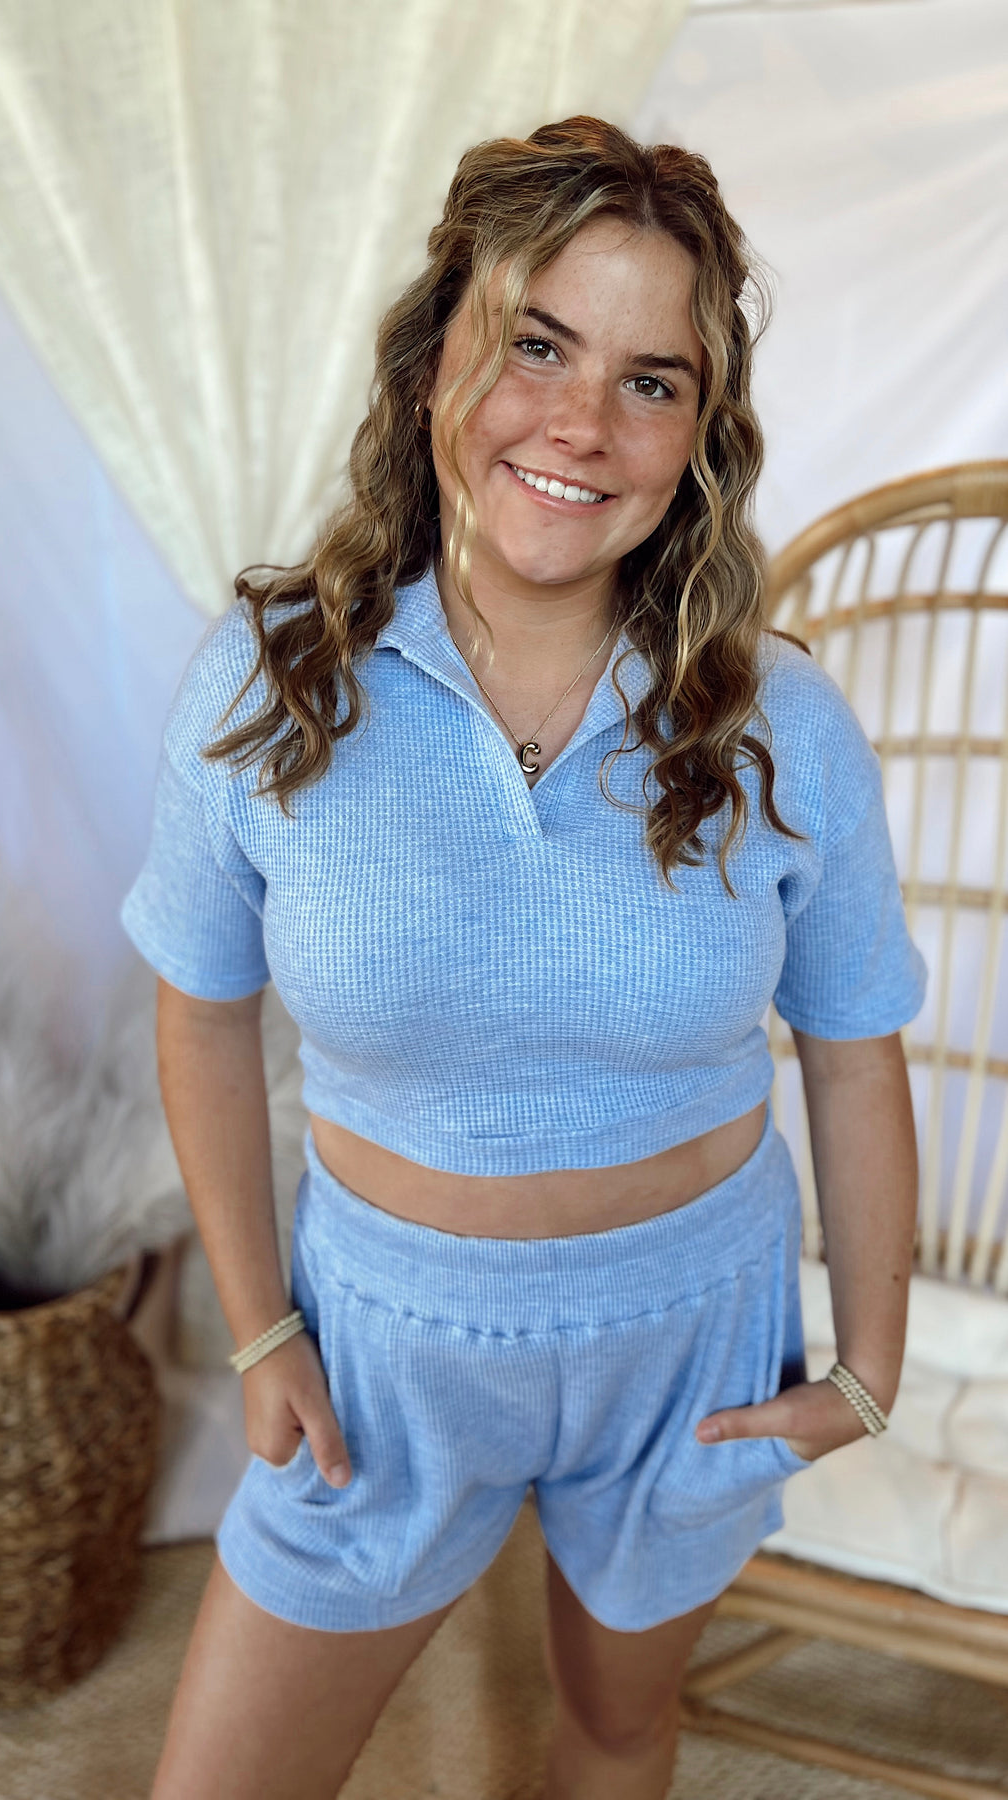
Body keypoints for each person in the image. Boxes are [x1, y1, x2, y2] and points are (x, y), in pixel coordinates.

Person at [121, 116, 926, 1800]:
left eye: (651, 380)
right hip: (384, 1341)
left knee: (618, 1729)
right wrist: (260, 1333)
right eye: (536, 345)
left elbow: (854, 1043)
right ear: (437, 360)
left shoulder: (778, 719)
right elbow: (199, 1012)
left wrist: (866, 1360)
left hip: (688, 1334)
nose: (580, 424)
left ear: (699, 435)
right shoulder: (271, 678)